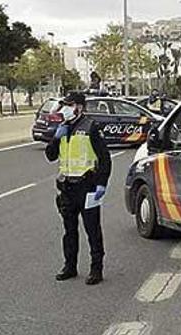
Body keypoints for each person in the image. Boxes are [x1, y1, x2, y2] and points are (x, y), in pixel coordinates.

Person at [44, 92, 112, 285]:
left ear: (79, 107)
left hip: (87, 186)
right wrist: (56, 138)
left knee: (92, 230)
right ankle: (70, 266)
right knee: (69, 230)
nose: (66, 108)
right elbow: (50, 156)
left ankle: (96, 269)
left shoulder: (91, 127)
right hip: (67, 188)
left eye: (70, 104)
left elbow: (104, 158)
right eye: (64, 104)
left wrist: (101, 183)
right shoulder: (63, 128)